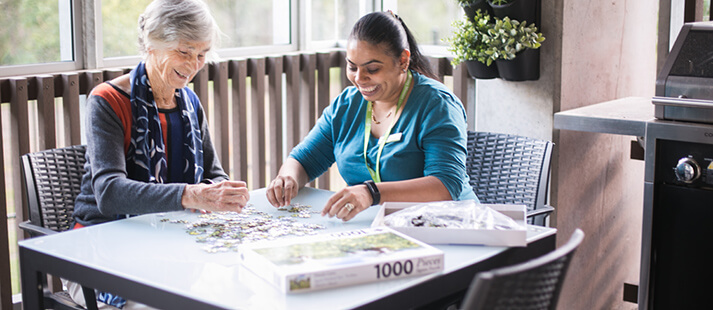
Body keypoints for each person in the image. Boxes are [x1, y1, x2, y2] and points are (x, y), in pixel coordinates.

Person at [71, 0, 248, 308]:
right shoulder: (107, 101)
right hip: (98, 248)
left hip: (171, 243)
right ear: (152, 44)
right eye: (184, 51)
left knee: (241, 290)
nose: (193, 64)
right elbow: (109, 193)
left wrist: (223, 193)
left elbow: (213, 172)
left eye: (202, 54)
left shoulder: (189, 102)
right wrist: (192, 195)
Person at [266, 11, 477, 221]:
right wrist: (288, 178)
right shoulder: (347, 105)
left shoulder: (437, 104)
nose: (359, 78)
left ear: (403, 61)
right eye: (352, 67)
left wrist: (371, 193)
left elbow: (446, 186)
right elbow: (303, 160)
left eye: (372, 68)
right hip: (379, 229)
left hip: (450, 228)